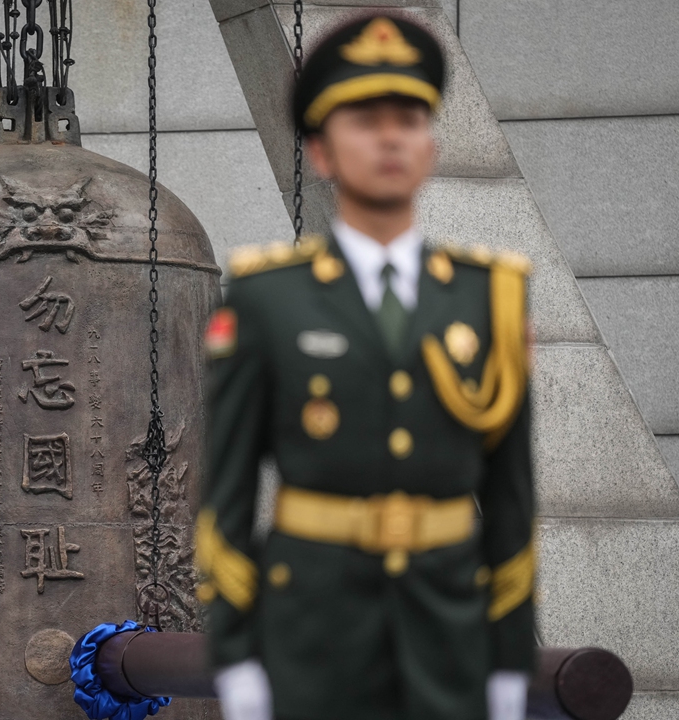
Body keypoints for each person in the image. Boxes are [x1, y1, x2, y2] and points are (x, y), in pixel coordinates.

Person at [197, 14, 536, 720]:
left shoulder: (490, 297)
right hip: (311, 628)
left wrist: (509, 664)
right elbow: (223, 499)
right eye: (364, 120)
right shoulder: (267, 297)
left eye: (409, 119)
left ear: (430, 146)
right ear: (320, 152)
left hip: (448, 630)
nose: (389, 137)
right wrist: (236, 662)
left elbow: (511, 504)